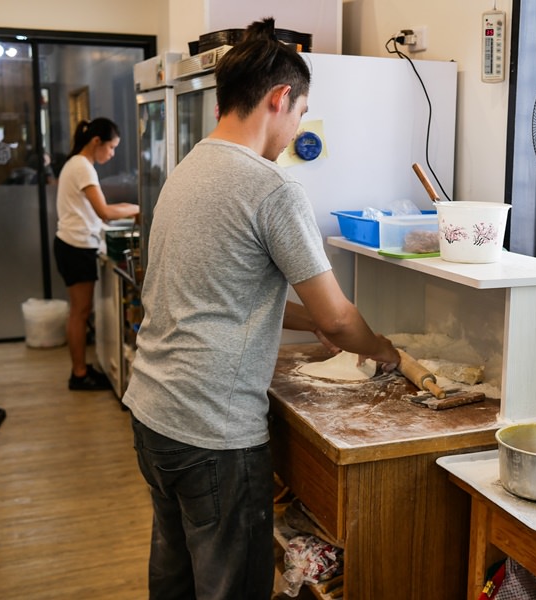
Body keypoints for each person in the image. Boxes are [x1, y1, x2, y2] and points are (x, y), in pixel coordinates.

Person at [122, 18, 400, 600]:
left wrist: (308, 325)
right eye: (301, 111)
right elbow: (336, 317)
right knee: (232, 587)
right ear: (281, 99)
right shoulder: (269, 186)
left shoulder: (188, 169)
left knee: (174, 576)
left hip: (153, 411)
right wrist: (382, 350)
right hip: (212, 431)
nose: (298, 125)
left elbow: (225, 292)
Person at [53, 118, 140, 391]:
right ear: (96, 142)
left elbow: (98, 210)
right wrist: (138, 209)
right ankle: (79, 375)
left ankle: (80, 369)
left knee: (79, 312)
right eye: (112, 147)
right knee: (79, 313)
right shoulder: (82, 167)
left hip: (74, 245)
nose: (112, 154)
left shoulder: (78, 164)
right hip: (75, 247)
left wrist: (132, 207)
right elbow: (104, 211)